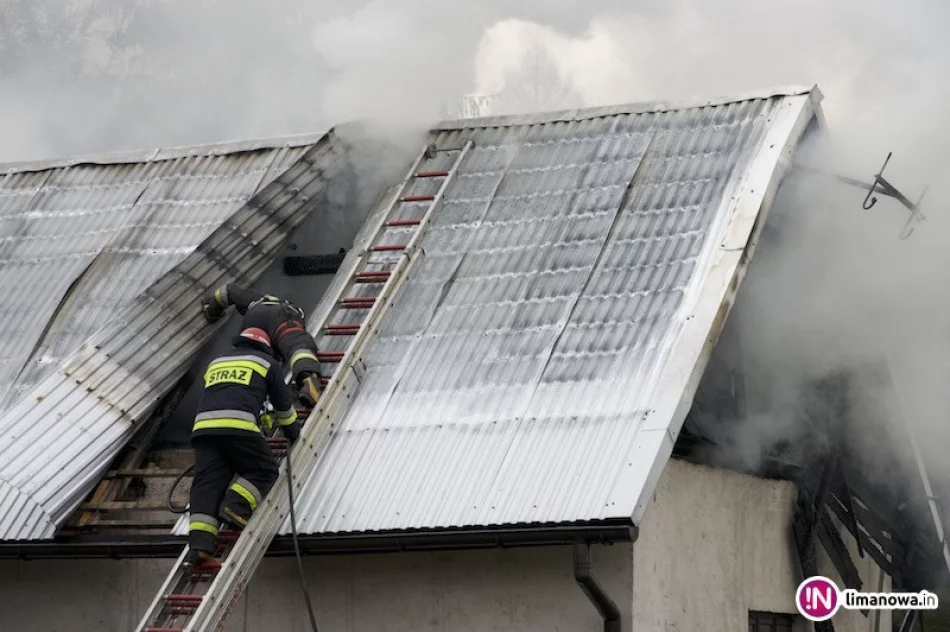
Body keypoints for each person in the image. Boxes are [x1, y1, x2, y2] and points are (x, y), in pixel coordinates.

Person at [185, 326, 301, 566]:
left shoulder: (216, 363)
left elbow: (230, 394)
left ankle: (200, 548)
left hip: (204, 429)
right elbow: (283, 407)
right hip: (237, 426)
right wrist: (292, 432)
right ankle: (234, 508)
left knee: (208, 483)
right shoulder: (266, 363)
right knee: (263, 470)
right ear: (266, 346)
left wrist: (259, 416)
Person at [200, 283, 323, 408]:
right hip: (280, 320)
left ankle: (240, 399)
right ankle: (308, 379)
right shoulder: (288, 311)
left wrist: (211, 311)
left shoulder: (254, 298)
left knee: (248, 367)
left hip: (253, 321)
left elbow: (226, 291)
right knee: (298, 347)